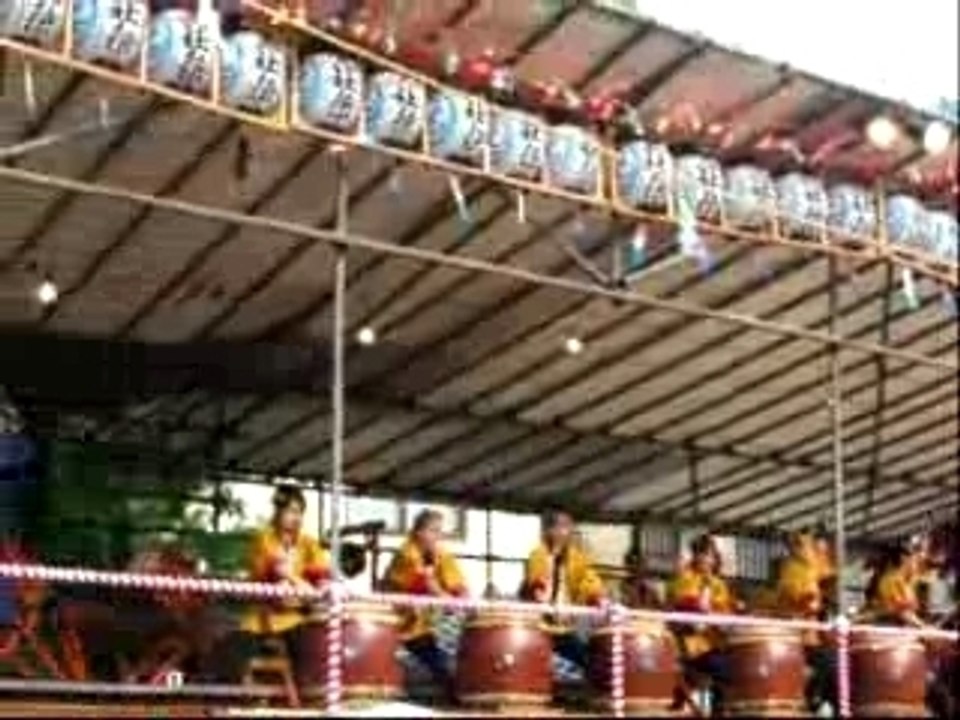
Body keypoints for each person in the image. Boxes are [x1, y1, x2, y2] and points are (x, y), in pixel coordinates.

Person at [200, 484, 330, 684]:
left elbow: (321, 580)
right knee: (231, 651)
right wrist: (302, 587)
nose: (296, 517)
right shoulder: (264, 539)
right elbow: (275, 575)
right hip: (263, 616)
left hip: (298, 618)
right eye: (291, 511)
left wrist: (306, 590)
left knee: (314, 651)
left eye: (300, 512)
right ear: (278, 511)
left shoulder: (309, 543)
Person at [383, 508, 466, 702]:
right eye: (433, 531)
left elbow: (458, 583)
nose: (438, 536)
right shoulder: (407, 552)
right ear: (418, 532)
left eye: (440, 531)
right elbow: (427, 584)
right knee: (387, 667)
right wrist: (450, 601)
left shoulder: (439, 553)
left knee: (441, 666)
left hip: (417, 627)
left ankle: (454, 704)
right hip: (391, 623)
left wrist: (465, 599)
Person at [519, 511, 605, 671]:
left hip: (562, 628)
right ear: (549, 531)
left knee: (587, 659)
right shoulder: (538, 554)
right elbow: (535, 580)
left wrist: (596, 596)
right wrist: (538, 589)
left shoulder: (576, 558)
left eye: (568, 527)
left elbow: (589, 579)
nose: (566, 532)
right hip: (538, 626)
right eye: (561, 527)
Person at [667, 534, 736, 716]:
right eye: (703, 554)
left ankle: (710, 708)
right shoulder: (684, 577)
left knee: (734, 664)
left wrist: (723, 620)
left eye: (710, 555)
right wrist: (702, 612)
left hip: (713, 642)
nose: (707, 559)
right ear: (695, 555)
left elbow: (725, 612)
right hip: (687, 644)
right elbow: (685, 605)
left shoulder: (719, 584)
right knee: (724, 669)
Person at [776, 529, 837, 713]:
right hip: (797, 636)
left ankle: (822, 701)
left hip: (813, 634)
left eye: (809, 544)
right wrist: (812, 601)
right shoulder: (790, 570)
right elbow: (797, 600)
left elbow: (829, 579)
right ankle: (814, 700)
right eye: (804, 545)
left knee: (835, 660)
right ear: (794, 548)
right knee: (829, 662)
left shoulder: (811, 567)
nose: (809, 549)